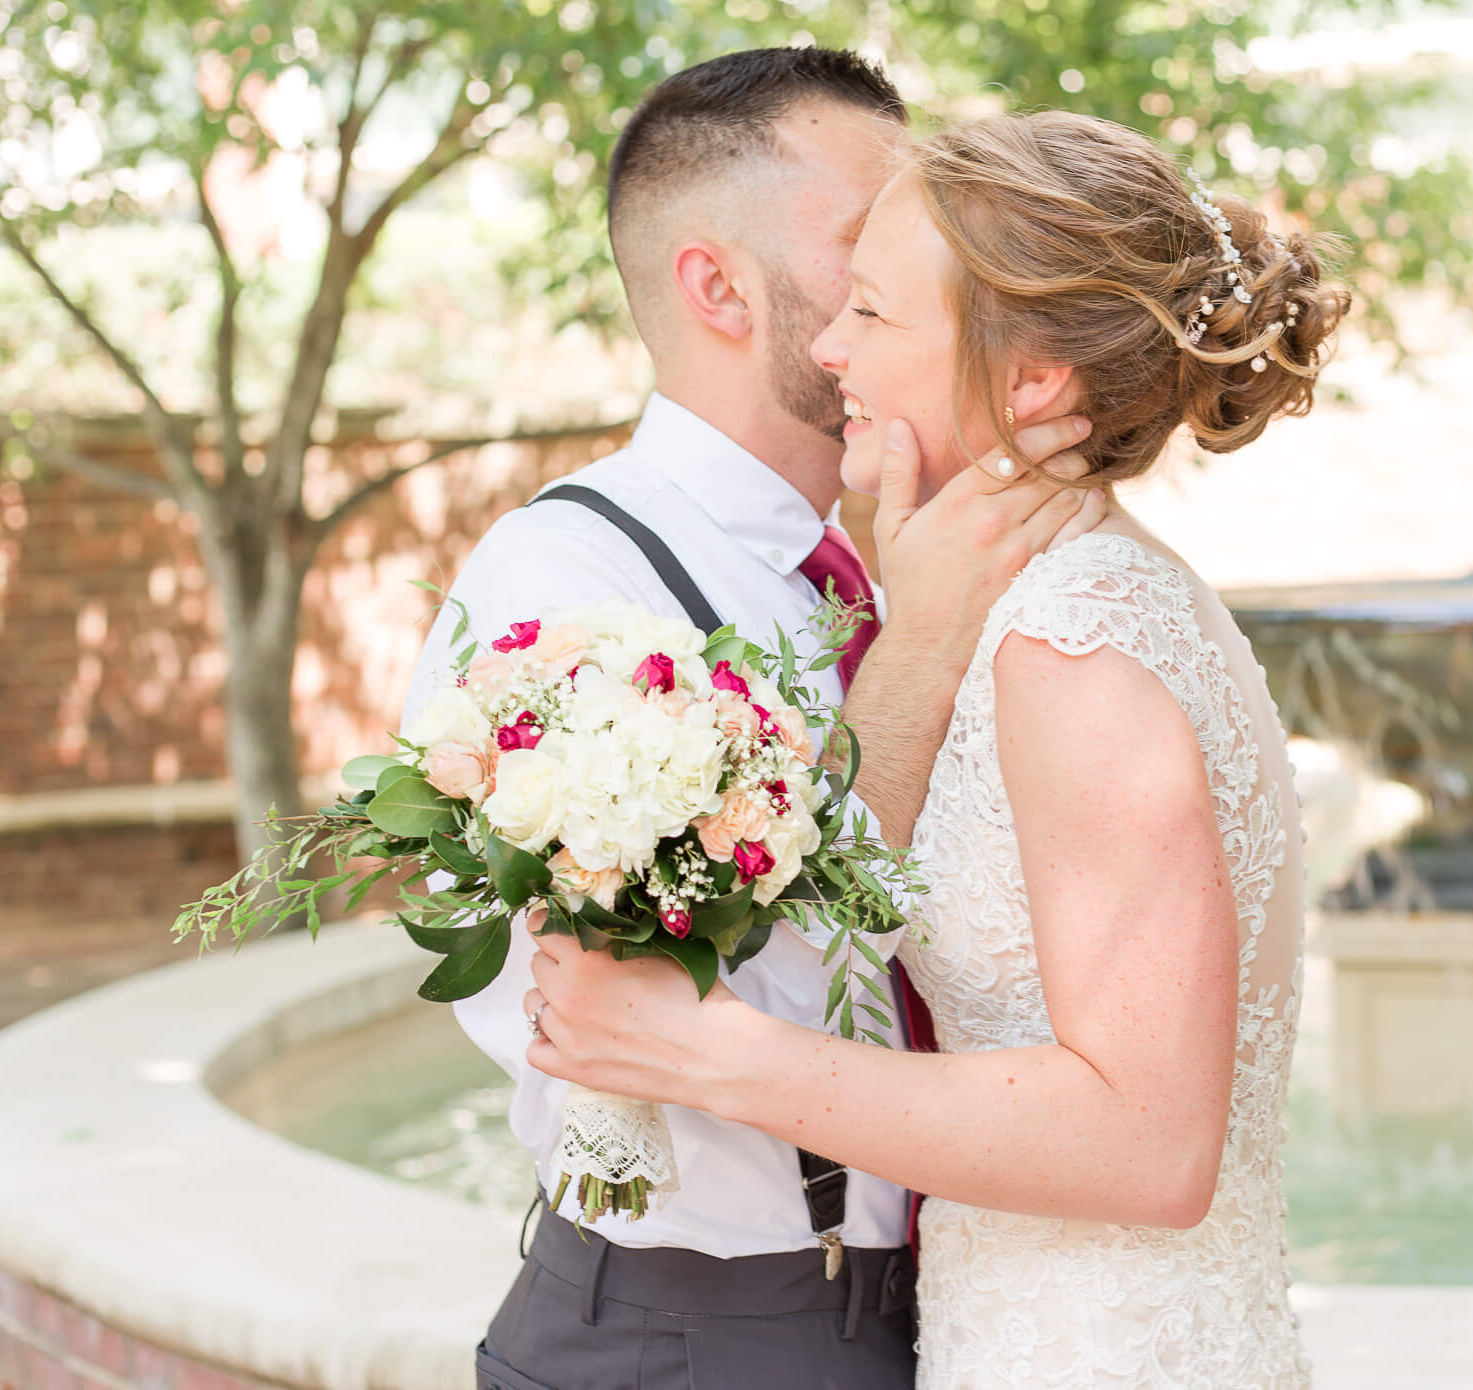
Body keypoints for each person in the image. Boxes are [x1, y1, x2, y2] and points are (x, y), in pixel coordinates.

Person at [524, 110, 1353, 1388]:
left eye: (874, 313)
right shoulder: (1062, 599)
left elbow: (1148, 1141)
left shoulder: (1074, 640)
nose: (833, 346)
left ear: (1031, 382)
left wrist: (719, 1056)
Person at [401, 53, 1104, 1390]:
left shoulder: (888, 546)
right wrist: (927, 641)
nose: (921, 270)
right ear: (717, 286)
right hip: (715, 1328)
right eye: (866, 238)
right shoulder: (567, 585)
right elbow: (649, 1008)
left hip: (958, 1296)